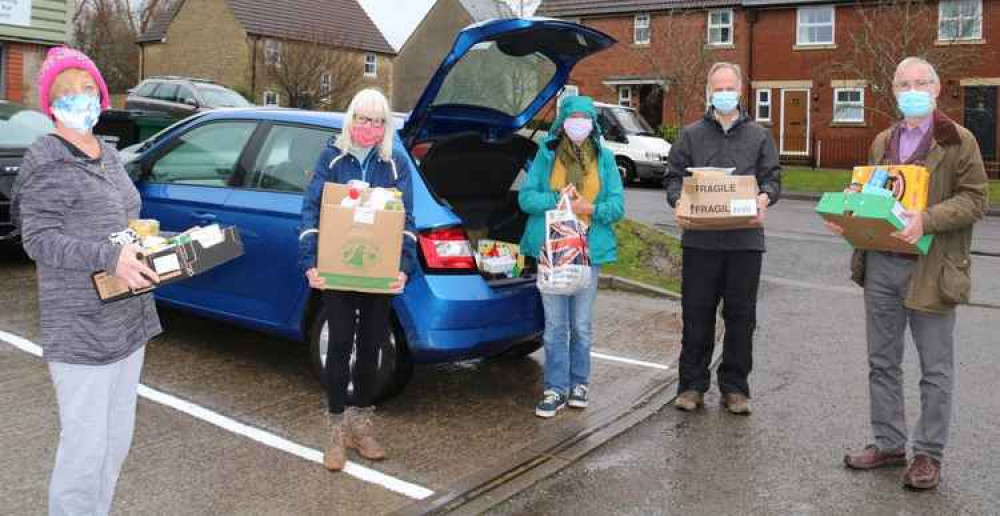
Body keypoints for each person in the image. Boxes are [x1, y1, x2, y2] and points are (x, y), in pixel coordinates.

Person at [11, 46, 162, 516]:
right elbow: (38, 240)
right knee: (83, 450)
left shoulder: (108, 154)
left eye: (87, 89)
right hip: (80, 328)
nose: (81, 99)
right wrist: (107, 255)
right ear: (50, 106)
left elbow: (122, 220)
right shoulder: (46, 161)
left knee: (115, 443)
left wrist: (151, 249)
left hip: (128, 319)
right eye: (67, 93)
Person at [828, 57, 988, 490]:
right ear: (894, 92)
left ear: (936, 90)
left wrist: (927, 218)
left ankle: (928, 455)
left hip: (932, 268)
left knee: (935, 368)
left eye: (921, 82)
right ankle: (889, 443)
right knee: (882, 362)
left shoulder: (960, 140)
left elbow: (975, 199)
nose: (912, 89)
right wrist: (850, 209)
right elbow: (874, 194)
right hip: (881, 263)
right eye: (904, 84)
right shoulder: (883, 140)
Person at [299, 88, 416, 471]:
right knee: (339, 346)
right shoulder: (331, 158)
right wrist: (309, 262)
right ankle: (335, 429)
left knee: (371, 347)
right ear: (351, 119)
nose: (370, 127)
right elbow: (311, 212)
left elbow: (406, 222)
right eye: (364, 119)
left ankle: (361, 425)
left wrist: (404, 267)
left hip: (378, 275)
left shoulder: (395, 163)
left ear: (386, 126)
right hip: (337, 271)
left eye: (378, 120)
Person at [664, 62, 781, 416]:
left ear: (740, 90)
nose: (724, 92)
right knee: (696, 314)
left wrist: (764, 198)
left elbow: (773, 178)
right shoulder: (690, 135)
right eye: (718, 87)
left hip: (744, 241)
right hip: (700, 242)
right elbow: (672, 178)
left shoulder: (759, 136)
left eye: (730, 86)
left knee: (741, 316)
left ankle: (735, 388)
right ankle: (691, 386)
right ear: (709, 92)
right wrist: (678, 200)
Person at [518, 95, 624, 418]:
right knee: (554, 326)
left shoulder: (605, 159)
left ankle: (579, 383)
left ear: (593, 123)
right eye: (573, 116)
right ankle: (554, 388)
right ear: (562, 121)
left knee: (581, 325)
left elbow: (618, 207)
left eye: (585, 116)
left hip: (589, 254)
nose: (578, 122)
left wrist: (588, 208)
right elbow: (525, 199)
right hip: (552, 253)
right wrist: (557, 199)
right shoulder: (545, 155)